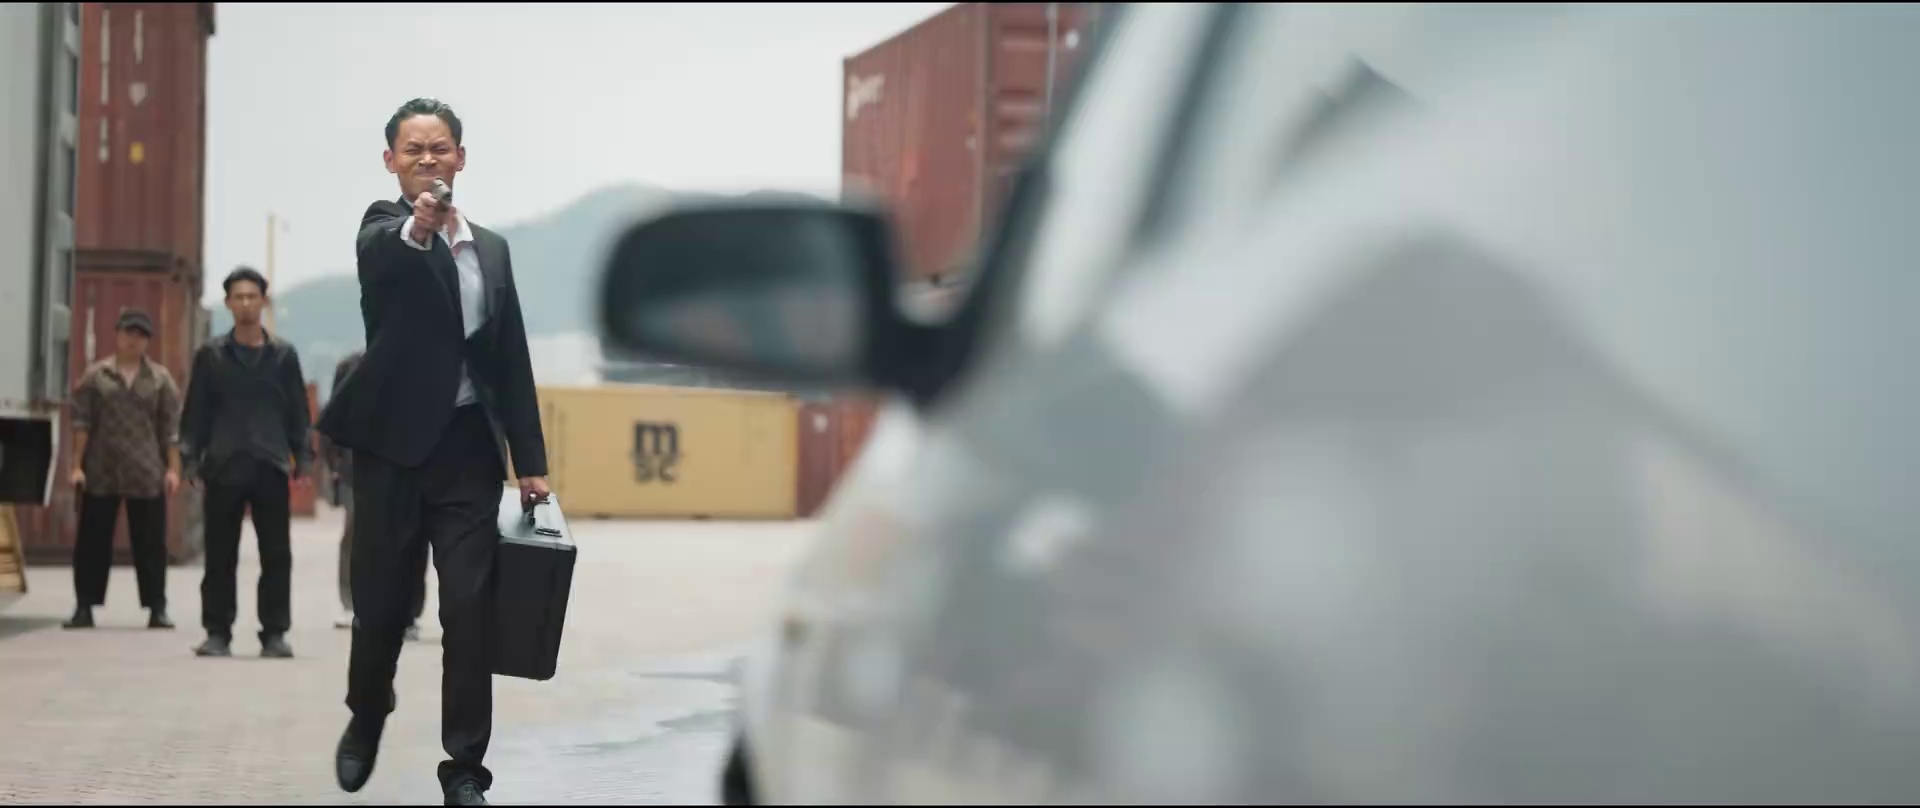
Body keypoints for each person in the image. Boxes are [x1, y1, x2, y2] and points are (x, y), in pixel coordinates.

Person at [316, 97, 551, 807]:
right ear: (391, 160)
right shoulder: (382, 228)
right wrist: (420, 224)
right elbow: (385, 259)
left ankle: (465, 770)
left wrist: (530, 461)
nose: (428, 158)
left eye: (440, 147)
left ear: (461, 157)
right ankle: (367, 712)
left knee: (470, 610)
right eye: (413, 149)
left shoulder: (492, 250)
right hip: (391, 451)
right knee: (380, 606)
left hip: (467, 452)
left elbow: (509, 355)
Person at [178, 266, 313, 659]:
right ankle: (217, 632)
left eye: (252, 296)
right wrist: (190, 458)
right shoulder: (211, 356)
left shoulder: (283, 356)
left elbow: (298, 413)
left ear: (263, 301)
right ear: (227, 303)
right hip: (224, 464)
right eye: (238, 297)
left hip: (270, 464)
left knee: (276, 555)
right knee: (220, 554)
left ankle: (274, 633)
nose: (246, 303)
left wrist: (303, 459)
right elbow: (195, 411)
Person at [62, 309, 182, 631]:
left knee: (151, 543)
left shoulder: (160, 379)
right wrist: (76, 466)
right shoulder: (96, 376)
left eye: (141, 335)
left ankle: (157, 607)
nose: (133, 340)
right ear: (117, 334)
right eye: (129, 333)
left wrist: (173, 470)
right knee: (92, 542)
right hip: (102, 469)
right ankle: (84, 606)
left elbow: (170, 429)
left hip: (146, 470)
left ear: (147, 341)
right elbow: (82, 423)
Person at [323, 350, 426, 641]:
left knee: (412, 538)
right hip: (357, 465)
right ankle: (351, 602)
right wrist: (334, 464)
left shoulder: (420, 363)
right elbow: (335, 416)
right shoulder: (350, 365)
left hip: (409, 463)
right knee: (356, 533)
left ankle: (409, 612)